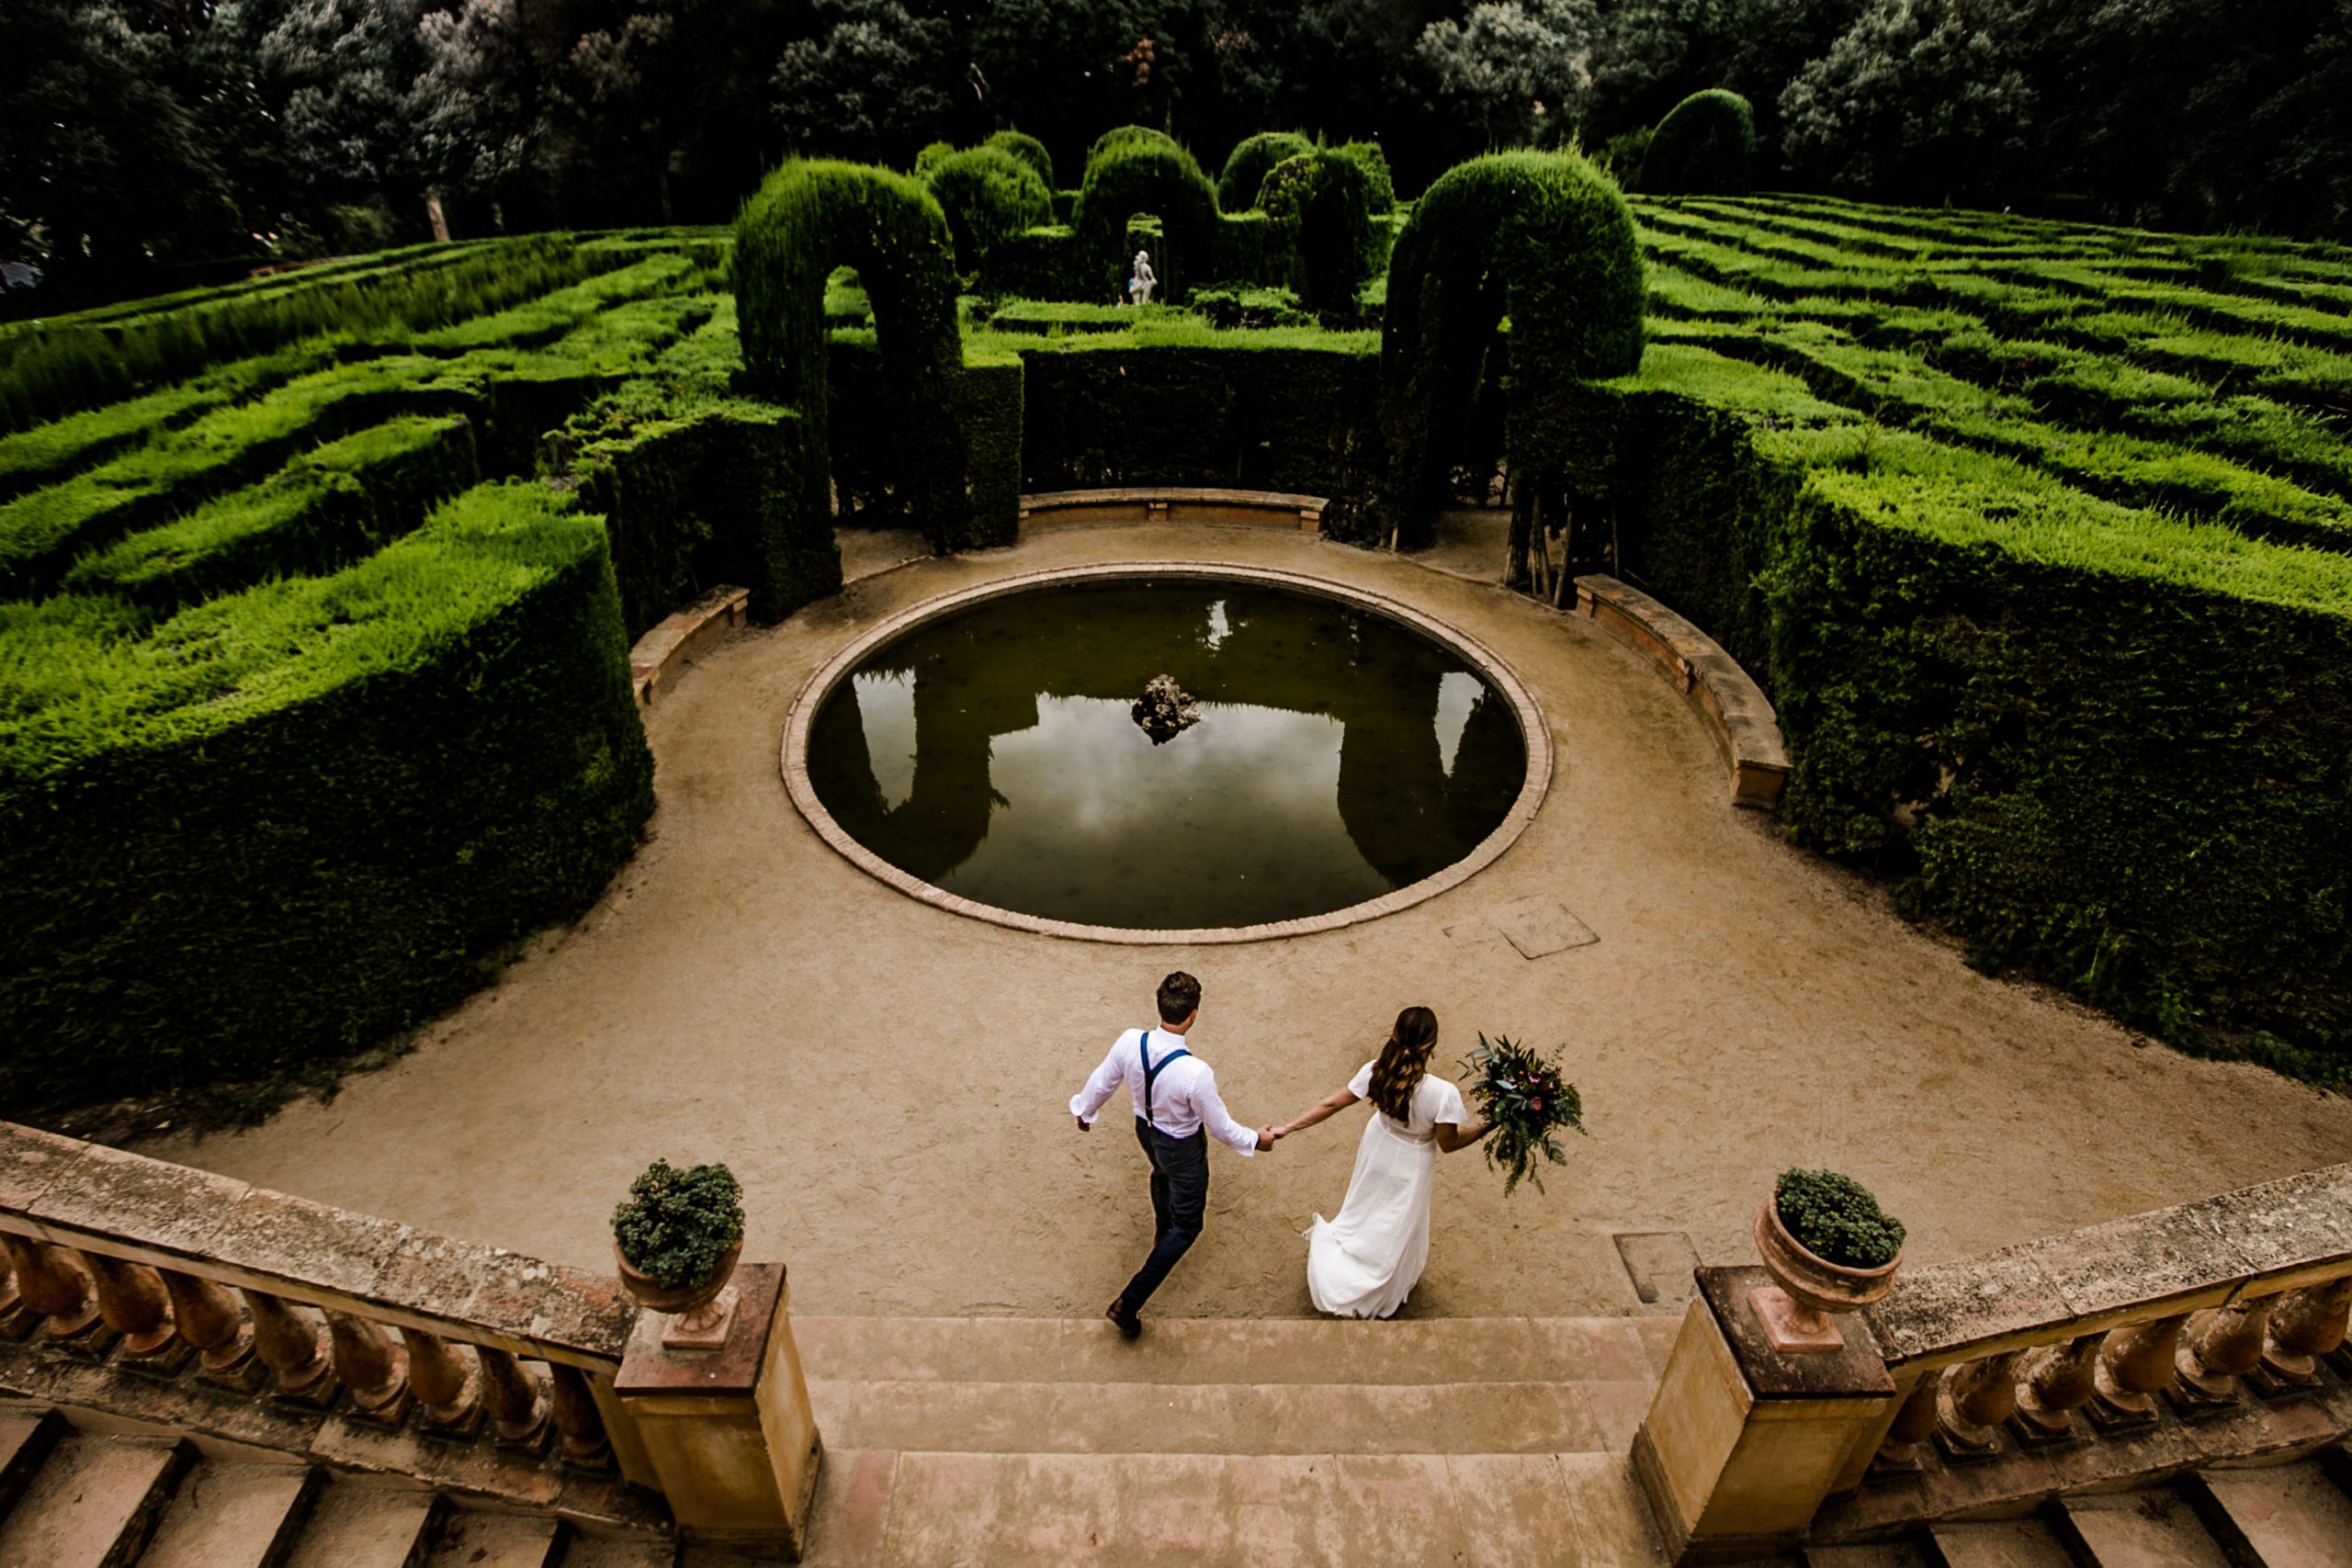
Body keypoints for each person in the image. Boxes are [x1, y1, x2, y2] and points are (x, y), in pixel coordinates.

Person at [1069, 971, 1277, 1337]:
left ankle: (1160, 1229)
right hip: (1182, 1146)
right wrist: (1255, 1140)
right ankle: (1128, 1302)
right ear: (1193, 1015)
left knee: (1159, 1172)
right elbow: (1221, 1127)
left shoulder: (1130, 1041)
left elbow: (1103, 1080)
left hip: (1145, 1132)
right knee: (1188, 1226)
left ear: (1159, 1005)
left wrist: (1085, 1111)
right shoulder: (1196, 1073)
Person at [1272, 1007, 1491, 1319]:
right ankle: (1375, 1279)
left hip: (1379, 1142)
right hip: (1414, 1159)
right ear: (1432, 1045)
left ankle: (1353, 1260)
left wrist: (1288, 1127)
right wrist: (1487, 1126)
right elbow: (1449, 1143)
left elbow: (1331, 1103)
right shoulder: (1444, 1094)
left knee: (1365, 1203)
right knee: (1398, 1217)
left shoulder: (1376, 1070)